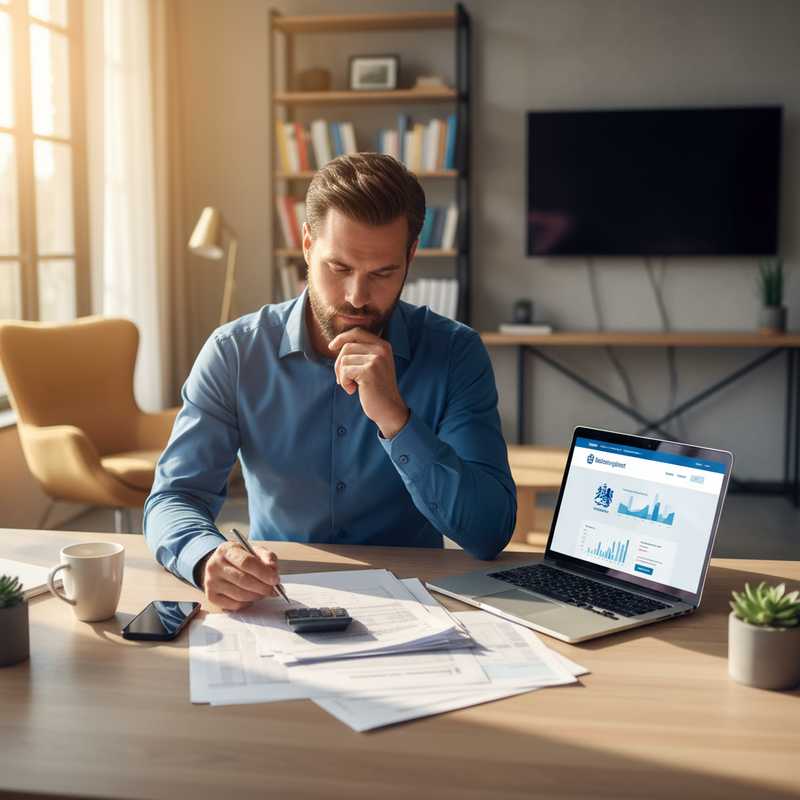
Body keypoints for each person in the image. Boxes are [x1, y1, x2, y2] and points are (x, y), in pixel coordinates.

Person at [144, 153, 516, 611]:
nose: (357, 297)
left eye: (382, 273)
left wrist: (396, 421)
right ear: (305, 245)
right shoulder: (235, 353)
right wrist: (205, 558)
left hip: (415, 607)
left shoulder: (456, 354)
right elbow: (174, 496)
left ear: (411, 256)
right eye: (338, 268)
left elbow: (487, 532)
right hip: (277, 602)